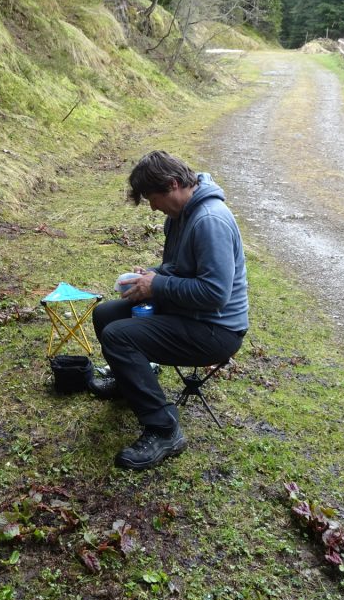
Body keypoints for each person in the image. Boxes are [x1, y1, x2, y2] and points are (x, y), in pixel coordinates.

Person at [91, 151, 248, 470]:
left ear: (173, 184)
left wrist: (157, 286)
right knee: (105, 314)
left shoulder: (209, 221)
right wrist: (151, 275)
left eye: (153, 198)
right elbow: (178, 268)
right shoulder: (180, 216)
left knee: (119, 337)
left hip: (216, 330)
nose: (152, 206)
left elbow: (215, 294)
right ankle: (129, 383)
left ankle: (164, 430)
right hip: (188, 313)